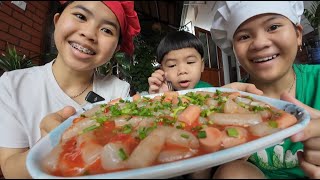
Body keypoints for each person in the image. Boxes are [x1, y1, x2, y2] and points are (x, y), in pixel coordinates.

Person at [0, 1, 140, 178]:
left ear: (116, 48)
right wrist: (47, 148)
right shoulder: (13, 86)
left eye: (107, 30)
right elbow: (10, 170)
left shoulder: (119, 91)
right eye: (80, 16)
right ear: (57, 21)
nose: (89, 34)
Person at [209, 1, 320, 179]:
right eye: (244, 37)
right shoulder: (231, 99)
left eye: (273, 26)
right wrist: (210, 109)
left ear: (298, 34)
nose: (260, 43)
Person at [148, 30, 213, 95]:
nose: (182, 71)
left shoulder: (209, 91)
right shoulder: (164, 92)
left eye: (190, 62)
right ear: (162, 71)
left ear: (202, 65)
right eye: (172, 65)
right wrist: (159, 96)